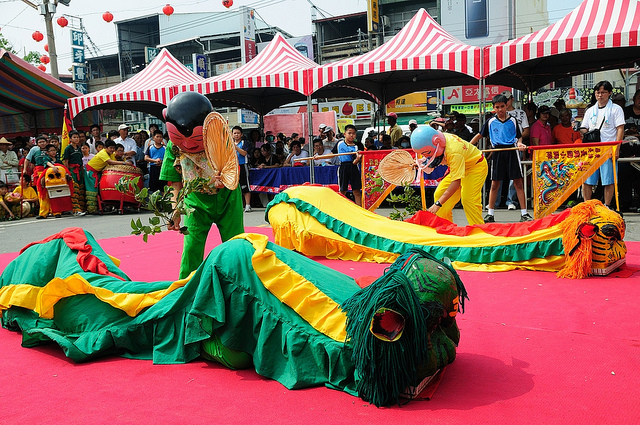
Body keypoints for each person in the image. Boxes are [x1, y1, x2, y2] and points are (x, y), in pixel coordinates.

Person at [471, 94, 532, 223]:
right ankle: (490, 214)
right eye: (497, 107)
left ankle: (524, 213)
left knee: (518, 183)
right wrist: (468, 147)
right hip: (497, 152)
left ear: (507, 106)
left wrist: (520, 144)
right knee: (495, 184)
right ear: (493, 108)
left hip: (512, 152)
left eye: (502, 107)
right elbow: (480, 135)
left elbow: (519, 136)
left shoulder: (514, 120)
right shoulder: (490, 121)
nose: (500, 110)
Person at [413, 126, 488, 225]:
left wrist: (437, 204)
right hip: (459, 165)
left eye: (427, 154)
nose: (427, 157)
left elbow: (456, 183)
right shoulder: (440, 140)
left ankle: (479, 230)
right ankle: (446, 227)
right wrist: (422, 163)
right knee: (439, 194)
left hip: (475, 167)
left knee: (468, 200)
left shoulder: (454, 151)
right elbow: (434, 157)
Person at [580, 80, 625, 209]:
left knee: (608, 179)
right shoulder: (590, 110)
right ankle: (587, 206)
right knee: (587, 180)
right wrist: (581, 129)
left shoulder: (616, 109)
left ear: (609, 93)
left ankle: (607, 205)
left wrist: (617, 148)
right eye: (598, 92)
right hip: (592, 149)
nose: (600, 95)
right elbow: (584, 128)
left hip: (608, 148)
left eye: (603, 92)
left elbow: (620, 129)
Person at [85, 140, 130, 214]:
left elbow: (115, 161)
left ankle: (100, 207)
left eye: (113, 148)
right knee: (92, 191)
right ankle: (91, 210)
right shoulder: (103, 153)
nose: (112, 150)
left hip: (98, 172)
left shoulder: (111, 153)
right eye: (110, 148)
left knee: (99, 190)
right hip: (90, 172)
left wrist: (123, 158)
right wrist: (124, 163)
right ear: (105, 147)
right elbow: (110, 162)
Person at [336, 124, 362, 206]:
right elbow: (332, 153)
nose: (351, 135)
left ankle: (360, 210)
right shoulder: (339, 144)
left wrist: (358, 159)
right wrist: (318, 157)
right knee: (343, 190)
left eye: (353, 133)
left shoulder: (357, 146)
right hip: (343, 167)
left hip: (353, 167)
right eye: (349, 133)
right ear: (345, 134)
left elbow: (355, 162)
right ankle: (340, 208)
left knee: (356, 190)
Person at [62, 130, 86, 216]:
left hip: (79, 170)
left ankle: (82, 208)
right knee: (74, 189)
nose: (76, 139)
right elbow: (66, 161)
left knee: (81, 188)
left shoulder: (79, 148)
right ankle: (76, 210)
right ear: (70, 139)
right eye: (74, 137)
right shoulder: (68, 148)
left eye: (77, 137)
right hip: (72, 170)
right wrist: (67, 172)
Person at [232, 126, 252, 212]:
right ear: (232, 134)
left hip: (243, 165)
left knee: (245, 185)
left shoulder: (244, 143)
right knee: (234, 186)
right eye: (234, 133)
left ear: (241, 134)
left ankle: (248, 205)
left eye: (238, 133)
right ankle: (237, 205)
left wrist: (235, 147)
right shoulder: (229, 143)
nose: (236, 135)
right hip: (233, 167)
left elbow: (244, 153)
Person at [144, 130, 167, 194]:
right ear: (153, 137)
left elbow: (167, 158)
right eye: (157, 136)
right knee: (153, 188)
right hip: (153, 168)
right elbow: (146, 158)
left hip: (162, 168)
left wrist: (161, 162)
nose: (159, 138)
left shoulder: (165, 148)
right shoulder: (150, 147)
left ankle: (164, 202)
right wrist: (155, 160)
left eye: (161, 137)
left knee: (163, 187)